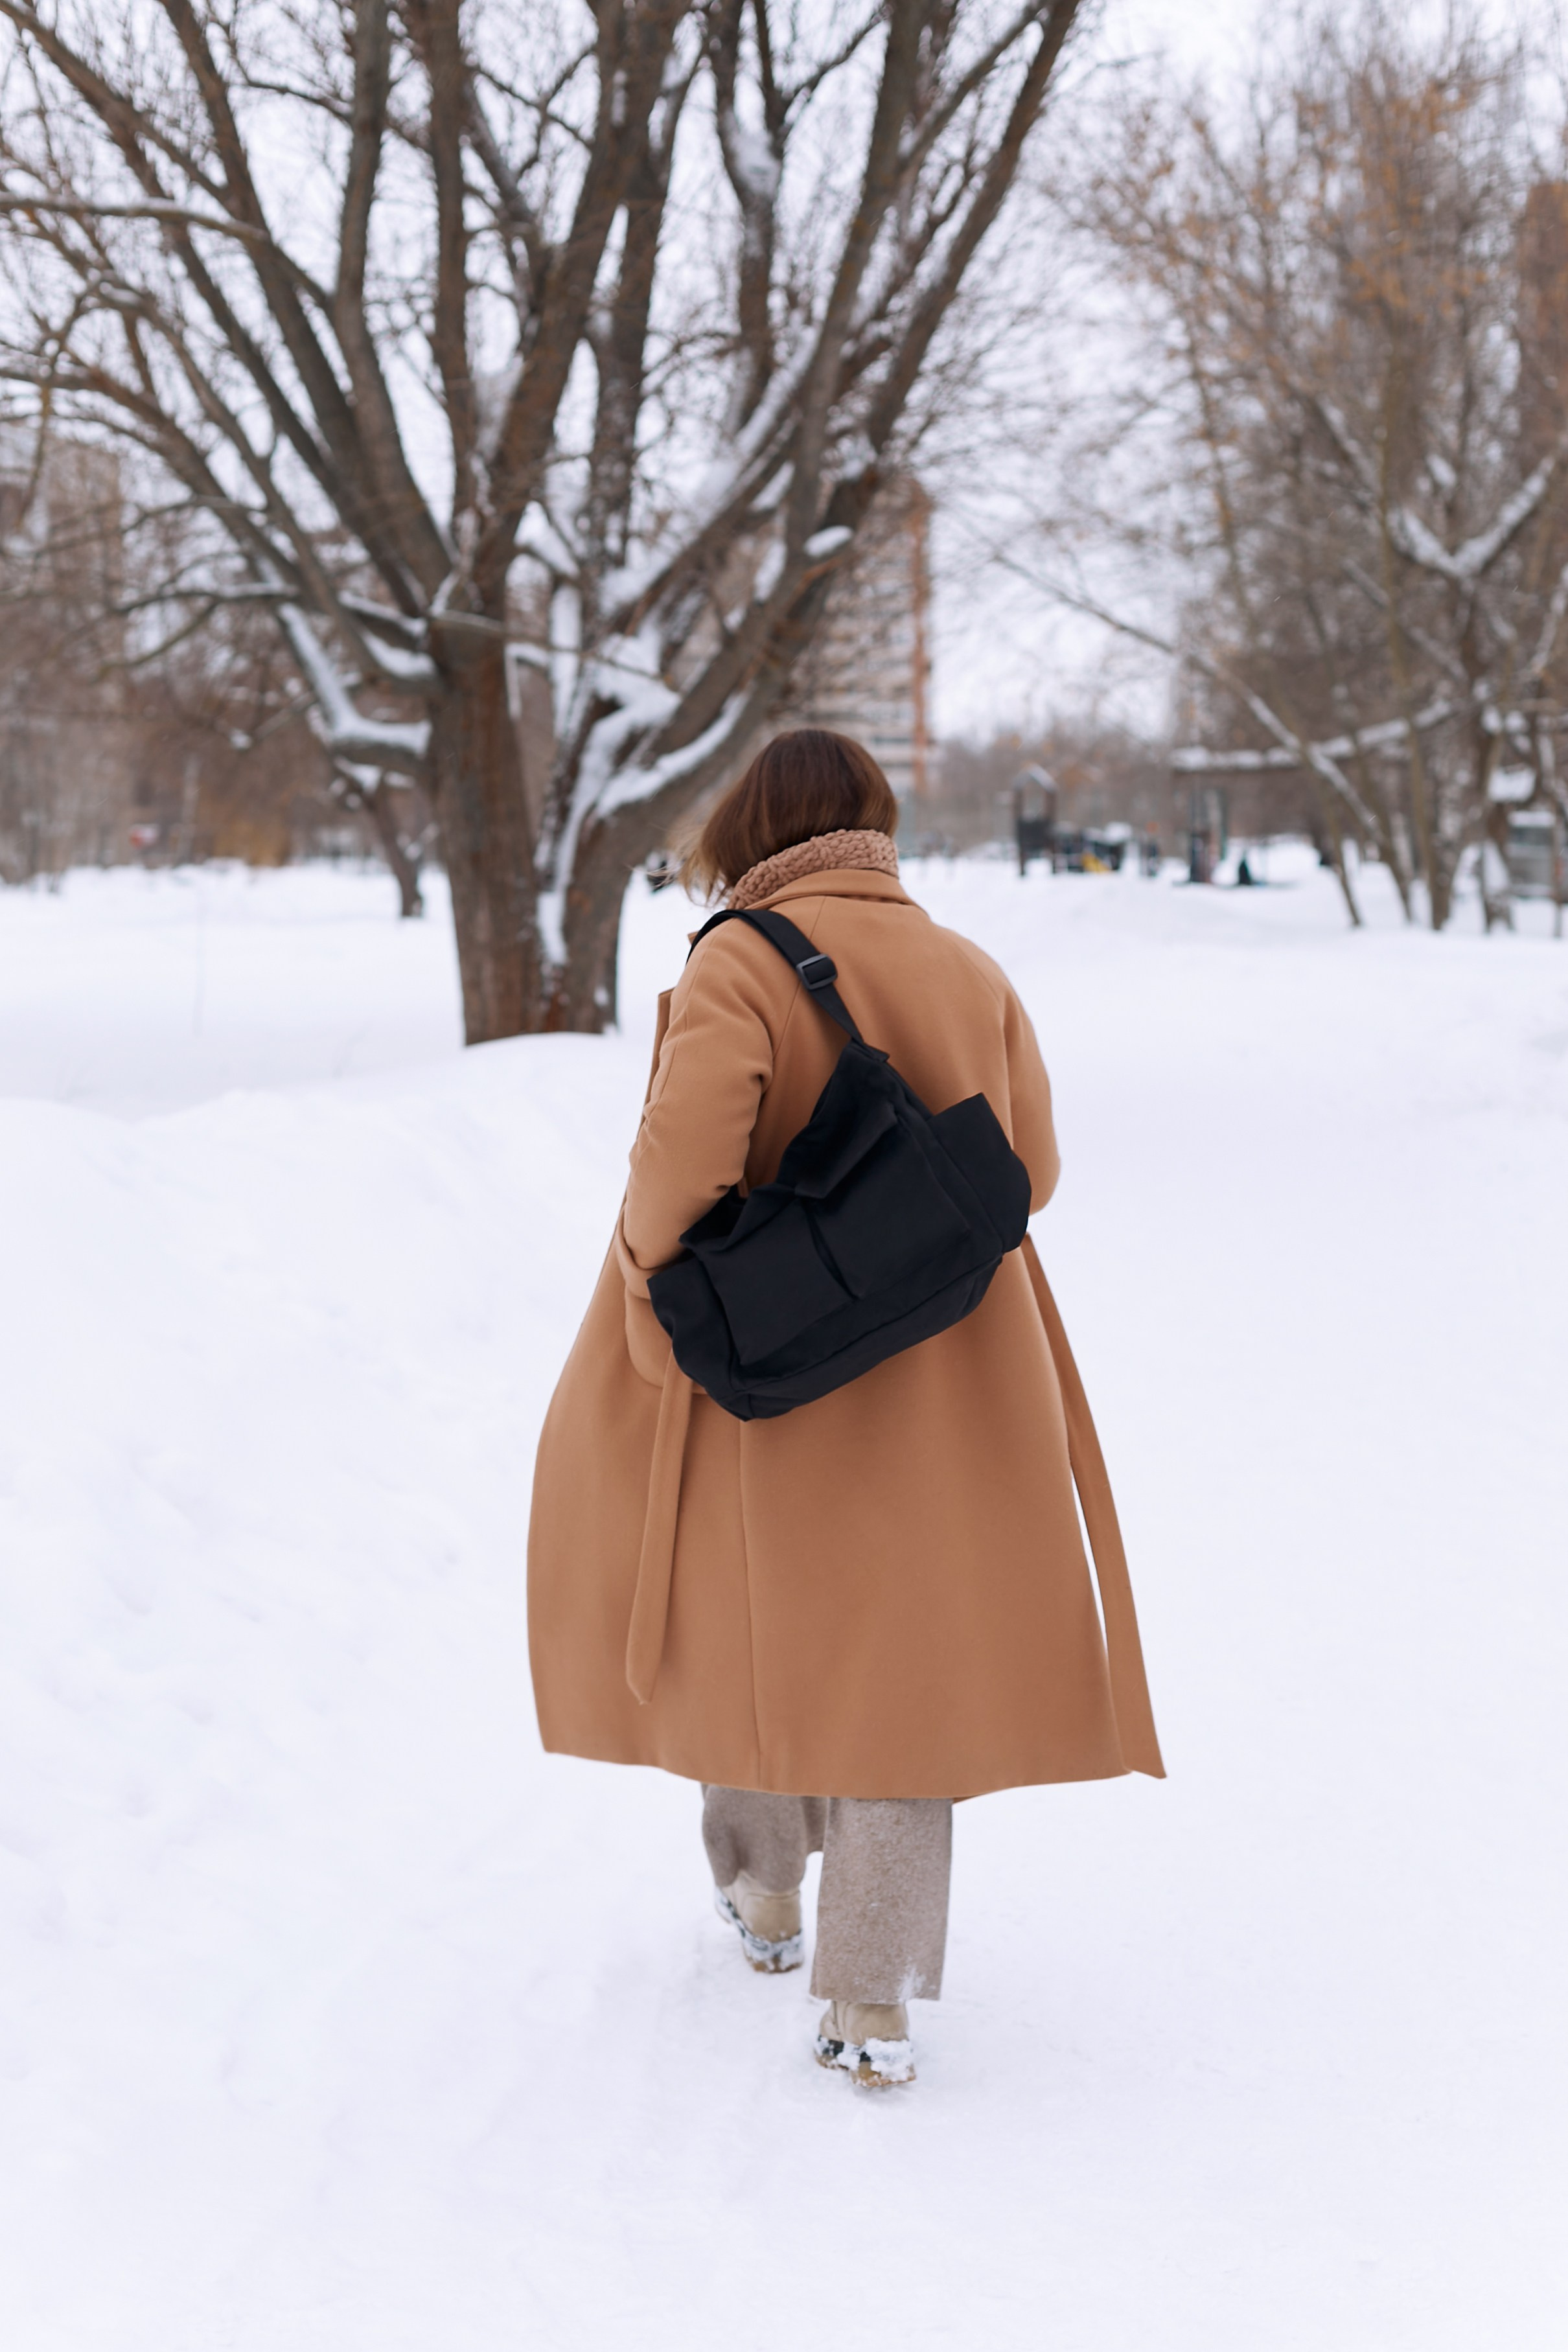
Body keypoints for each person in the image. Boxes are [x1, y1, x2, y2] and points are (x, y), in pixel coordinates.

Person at [527, 728, 1162, 2091]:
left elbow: (671, 1188)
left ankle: (762, 1894)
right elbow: (1030, 1170)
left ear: (748, 829)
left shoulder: (739, 964)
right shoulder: (967, 967)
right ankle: (868, 2003)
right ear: (873, 825)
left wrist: (649, 1311)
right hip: (948, 1366)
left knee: (749, 1619)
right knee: (902, 1666)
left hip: (774, 1369)